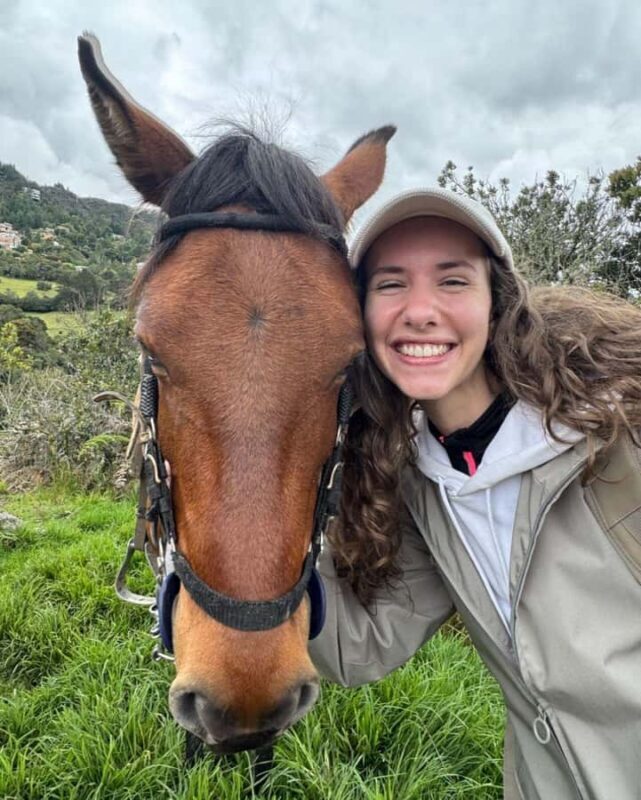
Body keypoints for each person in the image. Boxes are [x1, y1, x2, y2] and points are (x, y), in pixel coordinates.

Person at [308, 187, 641, 800]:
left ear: (498, 303)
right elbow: (362, 643)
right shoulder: (421, 484)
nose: (420, 310)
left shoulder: (621, 433)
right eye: (389, 284)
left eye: (453, 281)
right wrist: (243, 557)